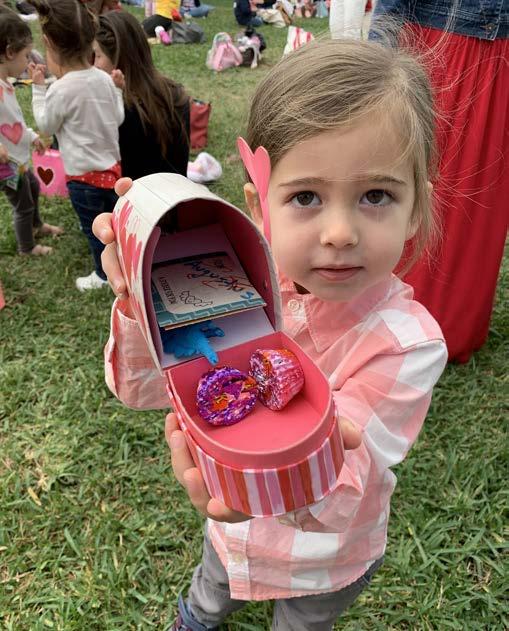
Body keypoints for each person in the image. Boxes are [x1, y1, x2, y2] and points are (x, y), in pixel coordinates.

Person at [93, 38, 448, 630]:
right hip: (233, 540)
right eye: (305, 196)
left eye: (376, 195)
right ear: (259, 206)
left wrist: (266, 488)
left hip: (324, 561)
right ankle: (196, 619)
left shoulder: (407, 344)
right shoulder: (231, 284)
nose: (339, 232)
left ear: (415, 209)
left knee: (301, 622)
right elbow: (145, 389)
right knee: (212, 588)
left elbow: (346, 479)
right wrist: (140, 299)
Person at [370, 0, 509, 363]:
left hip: (500, 64)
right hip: (439, 54)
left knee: (480, 204)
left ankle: (453, 326)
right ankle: (385, 320)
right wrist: (372, 72)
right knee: (417, 187)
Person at [29, 0, 124, 291]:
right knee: (114, 225)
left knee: (94, 228)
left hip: (83, 179)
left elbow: (46, 125)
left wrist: (38, 89)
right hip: (113, 172)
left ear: (48, 43)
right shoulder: (104, 80)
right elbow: (118, 118)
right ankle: (123, 261)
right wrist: (118, 92)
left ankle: (103, 275)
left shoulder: (59, 89)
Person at [94, 10, 190, 180]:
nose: (92, 64)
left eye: (96, 55)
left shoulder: (118, 111)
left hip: (130, 195)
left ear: (119, 58)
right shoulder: (174, 94)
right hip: (175, 194)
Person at [0, 7, 62, 256]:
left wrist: (31, 135)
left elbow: (11, 121)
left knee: (33, 187)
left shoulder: (5, 84)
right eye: (26, 56)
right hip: (6, 166)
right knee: (23, 204)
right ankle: (27, 247)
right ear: (9, 52)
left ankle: (37, 225)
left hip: (17, 160)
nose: (28, 62)